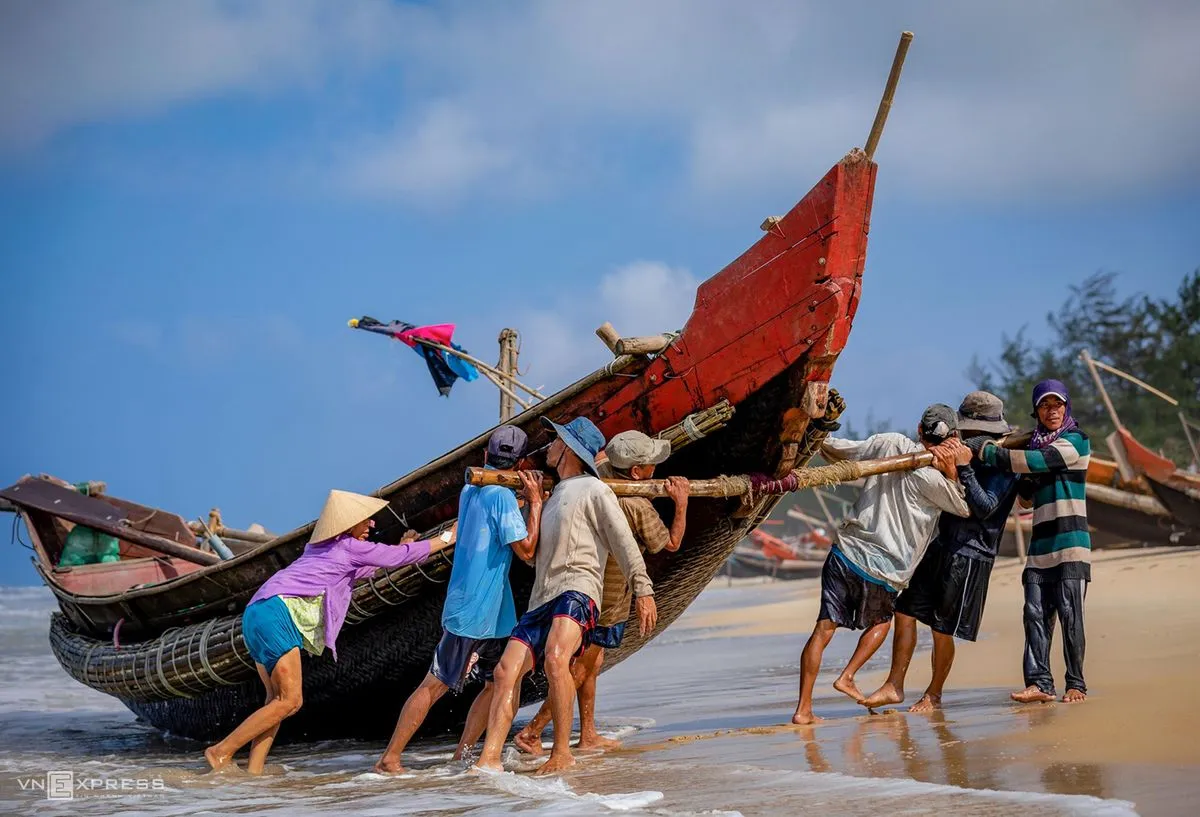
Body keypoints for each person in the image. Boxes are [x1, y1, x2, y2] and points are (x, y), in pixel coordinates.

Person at [205, 490, 453, 773]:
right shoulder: (348, 547)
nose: (371, 526)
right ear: (348, 525)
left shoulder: (323, 549)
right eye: (366, 521)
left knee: (275, 702)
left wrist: (403, 546)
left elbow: (373, 565)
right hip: (277, 614)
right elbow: (396, 558)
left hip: (257, 612)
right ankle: (221, 751)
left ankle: (254, 772)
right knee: (291, 700)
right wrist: (448, 537)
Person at [474, 416, 657, 775]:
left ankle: (561, 752)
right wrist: (533, 507)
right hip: (543, 597)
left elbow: (623, 542)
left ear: (569, 449)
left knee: (557, 659)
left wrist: (643, 588)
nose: (549, 446)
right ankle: (488, 759)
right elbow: (533, 557)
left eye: (556, 440)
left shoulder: (596, 489)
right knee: (505, 670)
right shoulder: (554, 494)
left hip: (578, 590)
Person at [375, 426, 544, 773]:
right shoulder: (499, 496)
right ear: (521, 461)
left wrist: (523, 501)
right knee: (435, 684)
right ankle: (389, 758)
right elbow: (526, 550)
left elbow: (498, 522)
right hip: (473, 611)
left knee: (496, 681)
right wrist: (537, 503)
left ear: (486, 457)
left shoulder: (472, 488)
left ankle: (462, 755)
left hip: (494, 609)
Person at [791, 405, 971, 725]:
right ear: (953, 438)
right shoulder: (936, 480)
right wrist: (953, 471)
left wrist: (814, 434)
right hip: (885, 569)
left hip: (846, 552)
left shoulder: (889, 442)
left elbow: (840, 450)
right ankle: (847, 675)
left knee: (823, 629)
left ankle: (803, 710)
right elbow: (964, 507)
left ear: (919, 430)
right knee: (882, 623)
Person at [514, 430, 688, 756]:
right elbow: (671, 543)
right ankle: (532, 732)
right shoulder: (636, 505)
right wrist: (681, 503)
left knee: (590, 666)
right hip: (608, 598)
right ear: (636, 473)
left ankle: (588, 733)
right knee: (579, 668)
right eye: (650, 465)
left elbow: (602, 460)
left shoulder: (597, 478)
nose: (655, 469)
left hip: (585, 585)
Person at [860, 392, 1021, 712]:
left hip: (971, 553)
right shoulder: (964, 452)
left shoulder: (1005, 461)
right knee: (904, 611)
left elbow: (985, 508)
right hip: (941, 544)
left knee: (941, 628)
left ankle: (933, 694)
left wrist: (961, 470)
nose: (963, 438)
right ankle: (894, 685)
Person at [970, 379, 1091, 704]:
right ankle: (1040, 683)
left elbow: (1039, 461)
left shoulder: (1076, 441)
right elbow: (1025, 500)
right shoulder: (1035, 445)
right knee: (1034, 614)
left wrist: (987, 450)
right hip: (1040, 547)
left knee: (1070, 614)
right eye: (1045, 406)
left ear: (1066, 407)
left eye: (1057, 405)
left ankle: (1076, 684)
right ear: (1037, 411)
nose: (1053, 411)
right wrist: (1017, 470)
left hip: (1071, 545)